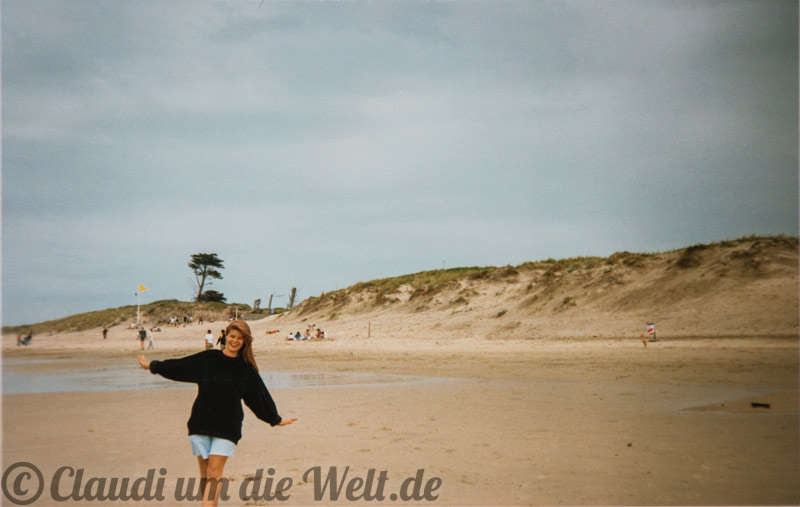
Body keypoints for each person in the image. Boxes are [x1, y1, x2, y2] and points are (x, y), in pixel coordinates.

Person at [136, 320, 296, 507]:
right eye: (232, 336)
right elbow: (180, 366)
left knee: (214, 472)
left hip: (228, 427)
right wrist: (152, 366)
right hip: (201, 422)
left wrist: (275, 419)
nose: (235, 341)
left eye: (240, 338)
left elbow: (258, 397)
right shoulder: (208, 359)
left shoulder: (245, 369)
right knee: (205, 474)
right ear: (226, 336)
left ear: (245, 342)